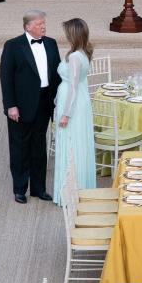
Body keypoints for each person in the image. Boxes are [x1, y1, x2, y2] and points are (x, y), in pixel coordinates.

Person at [0, 10, 61, 203]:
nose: (44, 26)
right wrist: (11, 106)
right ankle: (19, 189)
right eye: (40, 24)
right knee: (19, 147)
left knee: (39, 146)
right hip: (22, 105)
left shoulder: (51, 43)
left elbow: (57, 74)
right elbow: (6, 78)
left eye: (44, 23)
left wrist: (59, 101)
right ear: (28, 26)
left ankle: (38, 188)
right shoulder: (13, 46)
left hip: (44, 101)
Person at [53, 18, 96, 204]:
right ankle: (81, 188)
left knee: (70, 144)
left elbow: (73, 87)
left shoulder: (74, 57)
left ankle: (69, 193)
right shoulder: (84, 52)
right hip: (82, 102)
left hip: (73, 104)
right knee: (79, 142)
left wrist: (65, 113)